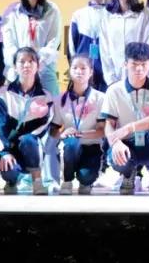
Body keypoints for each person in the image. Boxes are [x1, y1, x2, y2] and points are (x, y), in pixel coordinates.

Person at [1, 0, 63, 192]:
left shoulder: (52, 10)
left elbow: (54, 42)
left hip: (44, 71)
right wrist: (22, 64)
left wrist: (36, 62)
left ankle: (52, 175)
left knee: (54, 121)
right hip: (19, 72)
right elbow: (8, 45)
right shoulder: (12, 12)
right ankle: (26, 173)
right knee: (20, 123)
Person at [100, 42, 149, 196]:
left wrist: (129, 127)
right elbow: (108, 124)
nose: (139, 69)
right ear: (125, 64)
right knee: (117, 154)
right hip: (127, 144)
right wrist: (116, 142)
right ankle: (128, 175)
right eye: (134, 64)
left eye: (143, 64)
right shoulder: (114, 90)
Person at [0, 47, 54, 195]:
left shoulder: (46, 96)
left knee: (29, 140)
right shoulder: (4, 93)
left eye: (31, 61)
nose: (26, 65)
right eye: (22, 62)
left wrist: (28, 138)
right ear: (15, 67)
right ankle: (11, 181)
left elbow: (46, 127)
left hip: (32, 148)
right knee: (8, 170)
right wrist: (5, 152)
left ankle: (37, 181)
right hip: (9, 148)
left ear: (38, 66)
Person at [50, 55, 107, 194]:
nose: (79, 72)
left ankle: (86, 180)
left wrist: (79, 133)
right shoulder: (60, 99)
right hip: (70, 146)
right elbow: (53, 130)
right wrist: (62, 134)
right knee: (71, 143)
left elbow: (102, 131)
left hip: (91, 146)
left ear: (91, 72)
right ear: (69, 71)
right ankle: (67, 180)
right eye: (75, 68)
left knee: (86, 177)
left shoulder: (100, 98)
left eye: (83, 68)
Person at [99, 0, 149, 90]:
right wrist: (110, 79)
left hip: (138, 75)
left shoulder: (143, 13)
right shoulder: (107, 14)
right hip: (114, 76)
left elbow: (146, 44)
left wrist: (140, 72)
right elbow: (104, 48)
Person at [69, 0, 109, 83]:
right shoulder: (78, 15)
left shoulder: (113, 15)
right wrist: (75, 67)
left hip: (107, 69)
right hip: (83, 69)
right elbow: (72, 45)